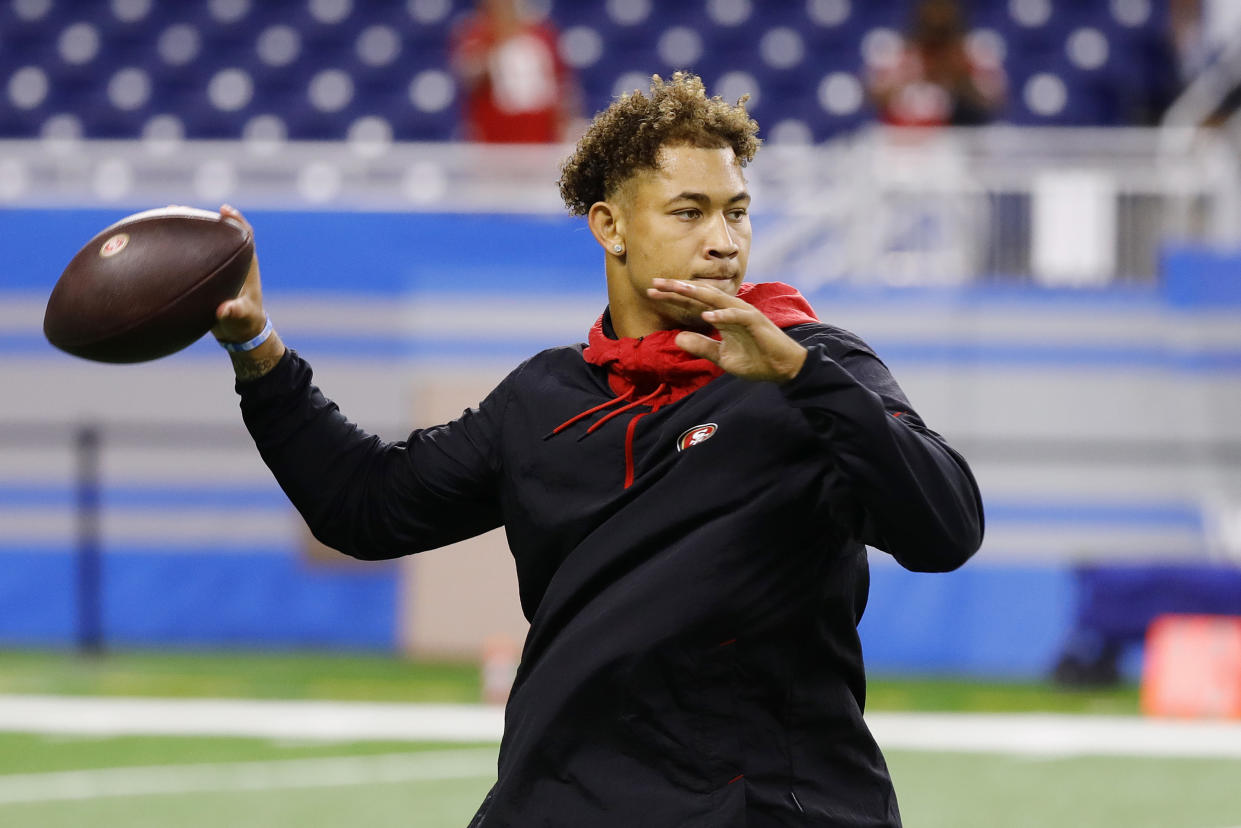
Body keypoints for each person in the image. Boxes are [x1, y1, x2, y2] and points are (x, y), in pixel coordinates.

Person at [212, 72, 984, 827]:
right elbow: (367, 509)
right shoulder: (543, 396)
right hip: (557, 801)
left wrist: (796, 374)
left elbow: (944, 528)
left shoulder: (817, 364)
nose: (723, 243)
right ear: (610, 227)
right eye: (689, 212)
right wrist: (255, 345)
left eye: (737, 213)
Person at [450, 0, 580, 143]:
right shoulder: (476, 36)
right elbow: (470, 78)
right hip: (494, 139)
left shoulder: (543, 35)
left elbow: (563, 87)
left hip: (541, 136)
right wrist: (499, 41)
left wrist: (568, 123)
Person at [866, 0, 1005, 127]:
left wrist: (960, 78)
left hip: (960, 139)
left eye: (944, 8)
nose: (938, 16)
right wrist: (909, 76)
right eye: (932, 7)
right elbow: (873, 96)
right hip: (903, 140)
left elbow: (995, 101)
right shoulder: (900, 52)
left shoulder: (973, 53)